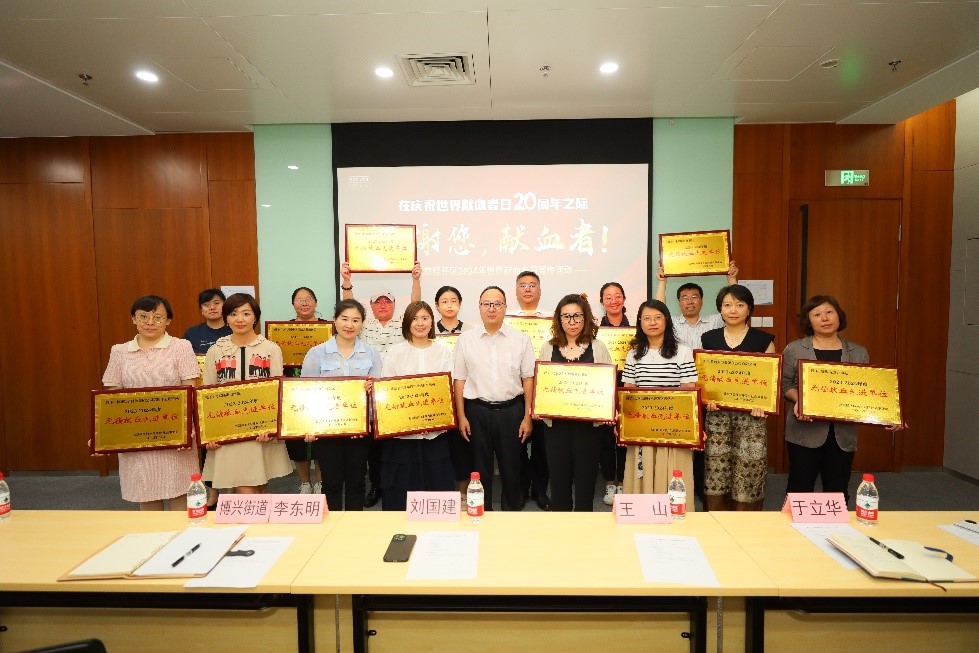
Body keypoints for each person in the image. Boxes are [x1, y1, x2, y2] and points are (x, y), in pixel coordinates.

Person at [782, 295, 904, 504]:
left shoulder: (858, 352)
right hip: (804, 432)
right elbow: (785, 385)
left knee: (837, 490)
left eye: (829, 312)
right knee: (799, 488)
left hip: (842, 434)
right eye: (817, 314)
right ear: (808, 321)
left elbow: (866, 391)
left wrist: (890, 415)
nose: (824, 318)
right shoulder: (794, 349)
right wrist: (800, 400)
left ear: (839, 316)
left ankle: (834, 525)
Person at [101, 295, 200, 511]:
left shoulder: (181, 346)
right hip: (137, 435)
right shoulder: (119, 351)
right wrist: (107, 432)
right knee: (146, 491)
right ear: (133, 319)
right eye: (143, 317)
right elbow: (112, 397)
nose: (150, 322)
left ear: (168, 320)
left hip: (175, 432)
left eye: (157, 317)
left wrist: (188, 426)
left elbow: (190, 390)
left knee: (179, 492)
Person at [341, 261, 422, 507]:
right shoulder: (363, 326)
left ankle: (399, 485)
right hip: (370, 394)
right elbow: (349, 308)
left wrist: (416, 279)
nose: (383, 305)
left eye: (387, 301)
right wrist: (347, 282)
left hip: (398, 394)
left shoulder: (402, 324)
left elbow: (416, 305)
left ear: (394, 305)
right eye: (378, 302)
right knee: (374, 448)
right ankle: (376, 485)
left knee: (396, 444)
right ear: (371, 306)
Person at [454, 286, 536, 511]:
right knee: (479, 470)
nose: (492, 309)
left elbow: (528, 379)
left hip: (512, 412)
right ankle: (482, 512)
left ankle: (510, 513)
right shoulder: (466, 340)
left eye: (497, 304)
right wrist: (461, 416)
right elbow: (459, 380)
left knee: (512, 468)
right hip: (477, 412)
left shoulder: (521, 339)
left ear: (505, 308)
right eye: (487, 304)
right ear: (479, 307)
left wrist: (527, 417)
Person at [201, 294, 291, 494]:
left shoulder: (271, 349)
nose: (239, 319)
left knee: (259, 489)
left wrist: (271, 428)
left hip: (261, 432)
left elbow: (277, 390)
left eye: (246, 313)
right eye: (233, 314)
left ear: (255, 317)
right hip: (228, 431)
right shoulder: (215, 351)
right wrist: (210, 433)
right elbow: (207, 394)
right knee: (245, 489)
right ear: (226, 318)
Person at [301, 299, 382, 511]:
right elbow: (305, 394)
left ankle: (353, 527)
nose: (349, 325)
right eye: (344, 319)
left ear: (362, 324)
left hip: (360, 431)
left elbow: (378, 395)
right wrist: (307, 427)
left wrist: (373, 392)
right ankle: (332, 527)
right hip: (327, 431)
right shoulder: (316, 353)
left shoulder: (372, 354)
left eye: (355, 320)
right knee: (331, 484)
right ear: (334, 320)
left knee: (357, 483)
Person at [700, 285, 776, 511]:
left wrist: (764, 404)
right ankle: (716, 514)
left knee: (749, 465)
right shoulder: (708, 338)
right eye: (727, 305)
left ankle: (746, 517)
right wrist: (707, 398)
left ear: (749, 309)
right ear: (720, 309)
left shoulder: (763, 340)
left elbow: (771, 378)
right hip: (717, 415)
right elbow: (703, 375)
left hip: (752, 416)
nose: (733, 310)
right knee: (716, 466)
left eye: (740, 305)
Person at [538, 294, 614, 511]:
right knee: (558, 481)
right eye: (566, 316)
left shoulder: (598, 347)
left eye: (577, 316)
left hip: (588, 427)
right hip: (556, 426)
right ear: (559, 319)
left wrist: (609, 409)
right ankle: (562, 524)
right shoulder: (548, 347)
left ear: (586, 318)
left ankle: (584, 526)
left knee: (586, 482)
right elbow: (542, 383)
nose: (572, 322)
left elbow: (607, 385)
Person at [380, 301, 456, 510]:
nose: (420, 323)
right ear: (407, 322)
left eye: (425, 318)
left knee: (437, 487)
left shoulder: (443, 352)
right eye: (414, 319)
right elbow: (388, 392)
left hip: (435, 433)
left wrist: (429, 419)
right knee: (402, 492)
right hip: (403, 435)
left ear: (432, 322)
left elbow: (447, 389)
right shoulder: (395, 352)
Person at [621, 300, 699, 498]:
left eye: (657, 318)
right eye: (647, 318)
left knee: (671, 474)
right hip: (642, 427)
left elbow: (688, 391)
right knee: (643, 475)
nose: (652, 322)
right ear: (640, 322)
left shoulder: (683, 351)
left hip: (672, 427)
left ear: (667, 321)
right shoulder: (633, 354)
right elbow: (629, 392)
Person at [506, 270, 550, 509]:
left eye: (532, 285)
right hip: (515, 389)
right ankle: (521, 489)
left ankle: (540, 490)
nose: (527, 289)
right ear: (516, 291)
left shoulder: (552, 319)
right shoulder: (506, 319)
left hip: (545, 389)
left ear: (540, 290)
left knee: (543, 446)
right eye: (523, 285)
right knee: (518, 445)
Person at [433, 285, 474, 494]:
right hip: (437, 396)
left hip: (465, 395)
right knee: (439, 446)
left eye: (454, 301)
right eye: (444, 301)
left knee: (462, 447)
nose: (449, 305)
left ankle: (463, 493)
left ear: (460, 304)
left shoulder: (472, 331)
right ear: (437, 306)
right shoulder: (428, 330)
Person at [286, 286, 324, 494]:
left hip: (322, 390)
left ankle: (320, 482)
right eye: (299, 299)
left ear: (316, 302)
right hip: (294, 391)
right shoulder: (283, 330)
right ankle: (304, 483)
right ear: (293, 304)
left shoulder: (327, 328)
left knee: (321, 439)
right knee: (298, 440)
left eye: (308, 298)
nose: (304, 303)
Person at [597, 282, 628, 504]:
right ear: (602, 302)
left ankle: (624, 482)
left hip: (628, 387)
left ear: (624, 299)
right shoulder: (595, 330)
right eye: (608, 297)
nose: (613, 300)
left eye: (617, 296)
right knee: (605, 438)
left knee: (625, 437)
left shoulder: (635, 327)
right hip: (604, 388)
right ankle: (609, 482)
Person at [182, 288, 232, 355]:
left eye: (216, 303)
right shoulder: (191, 334)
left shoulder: (235, 330)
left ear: (225, 305)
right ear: (201, 310)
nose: (212, 307)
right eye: (206, 305)